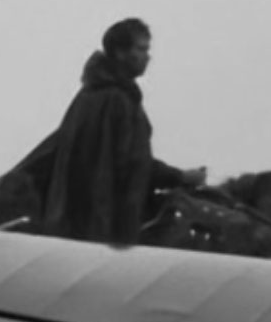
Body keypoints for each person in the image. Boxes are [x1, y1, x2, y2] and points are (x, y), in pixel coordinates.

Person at [13, 17, 206, 245]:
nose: (147, 57)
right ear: (120, 52)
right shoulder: (118, 101)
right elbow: (133, 165)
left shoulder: (88, 98)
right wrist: (181, 177)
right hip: (104, 229)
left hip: (73, 227)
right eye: (141, 49)